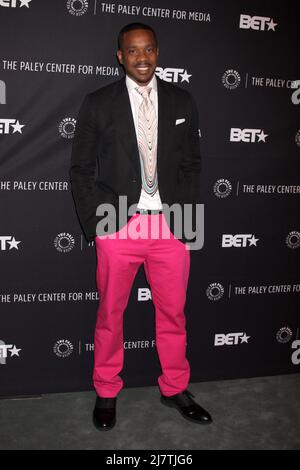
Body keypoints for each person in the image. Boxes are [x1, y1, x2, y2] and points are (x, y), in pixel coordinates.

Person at [70, 22, 212, 430]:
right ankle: (107, 390)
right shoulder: (98, 102)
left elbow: (191, 163)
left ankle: (174, 387)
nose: (142, 57)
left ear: (158, 52)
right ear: (120, 57)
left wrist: (184, 217)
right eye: (132, 51)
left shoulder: (183, 101)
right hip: (117, 225)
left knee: (174, 314)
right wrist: (98, 224)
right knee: (111, 314)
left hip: (172, 226)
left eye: (148, 49)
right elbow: (80, 168)